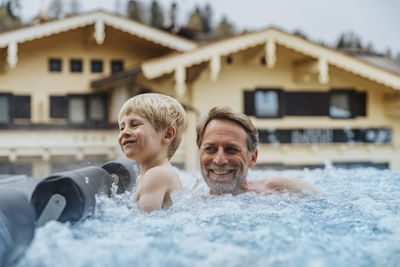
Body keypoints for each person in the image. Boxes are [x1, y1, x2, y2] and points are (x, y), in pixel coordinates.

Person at [196, 106, 321, 196]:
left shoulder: (279, 189)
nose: (219, 160)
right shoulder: (191, 207)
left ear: (253, 158)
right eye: (210, 149)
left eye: (231, 149)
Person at [118, 93, 186, 212]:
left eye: (134, 125)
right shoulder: (143, 177)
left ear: (167, 134)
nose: (124, 132)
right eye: (122, 127)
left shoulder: (156, 175)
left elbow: (144, 223)